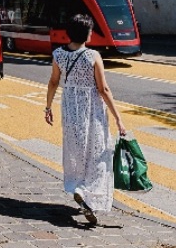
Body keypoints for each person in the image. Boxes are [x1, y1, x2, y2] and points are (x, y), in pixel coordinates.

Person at [44, 14, 127, 225]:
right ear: (87, 33)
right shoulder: (92, 56)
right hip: (92, 110)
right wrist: (118, 118)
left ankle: (78, 187)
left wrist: (48, 107)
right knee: (98, 152)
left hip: (70, 107)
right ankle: (90, 195)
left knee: (76, 151)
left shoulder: (58, 55)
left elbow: (53, 82)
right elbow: (103, 89)